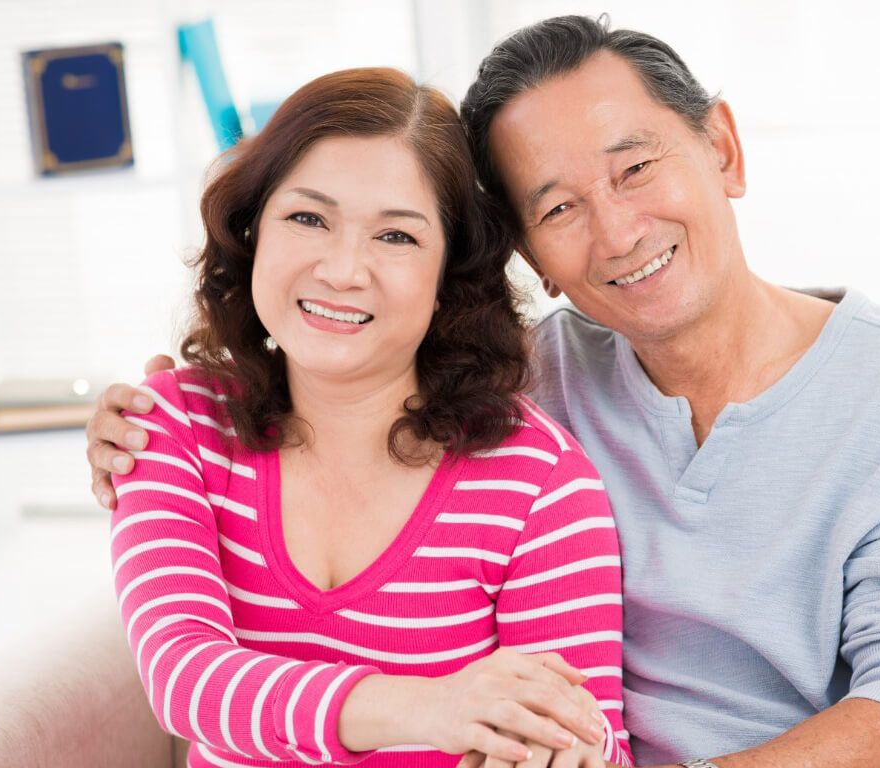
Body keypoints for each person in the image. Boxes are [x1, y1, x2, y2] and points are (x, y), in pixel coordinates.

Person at [89, 16, 880, 768]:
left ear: (723, 148)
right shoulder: (526, 382)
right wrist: (140, 424)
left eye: (635, 168)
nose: (618, 231)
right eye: (558, 207)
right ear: (523, 253)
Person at [102, 66, 632, 768]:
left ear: (449, 276)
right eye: (308, 218)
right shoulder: (171, 425)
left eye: (397, 237)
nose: (343, 270)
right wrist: (431, 705)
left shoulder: (540, 486)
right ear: (253, 227)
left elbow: (590, 742)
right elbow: (187, 681)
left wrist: (568, 753)